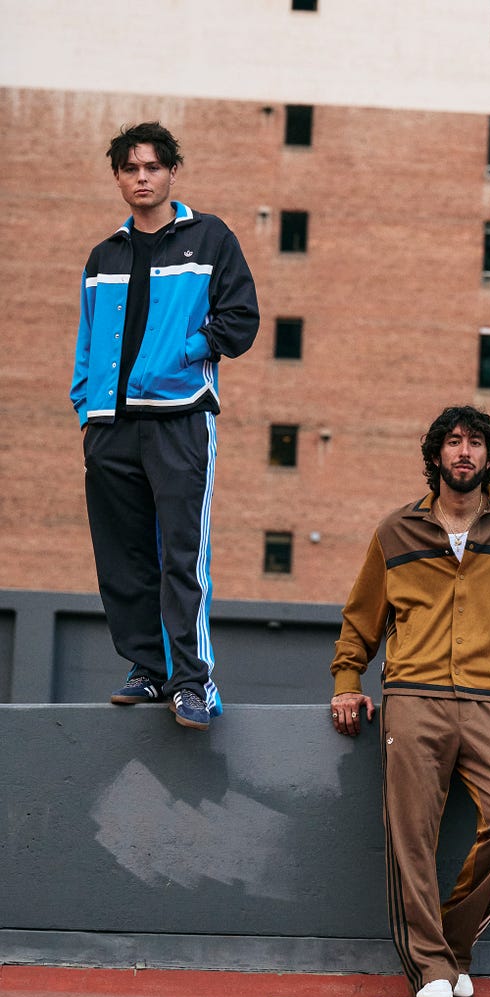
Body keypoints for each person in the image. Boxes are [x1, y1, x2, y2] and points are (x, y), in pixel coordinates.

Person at [330, 406, 490, 997]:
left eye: (475, 444)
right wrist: (346, 680)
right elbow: (362, 620)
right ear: (436, 455)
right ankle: (431, 969)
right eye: (454, 442)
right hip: (413, 696)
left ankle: (452, 944)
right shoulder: (395, 532)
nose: (464, 453)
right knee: (411, 836)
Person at [71, 122, 259, 730]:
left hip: (180, 418)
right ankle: (148, 669)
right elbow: (87, 338)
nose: (142, 177)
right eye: (131, 169)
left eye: (153, 167)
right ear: (119, 177)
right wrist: (84, 405)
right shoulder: (105, 255)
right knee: (122, 558)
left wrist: (185, 351)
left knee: (182, 554)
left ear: (172, 171)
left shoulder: (209, 238)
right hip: (110, 425)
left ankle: (192, 683)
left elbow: (242, 319)